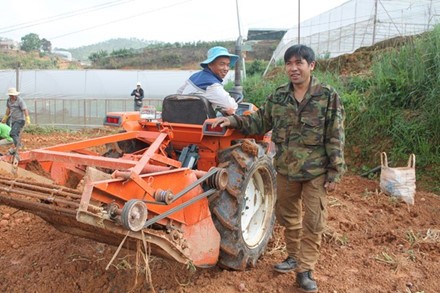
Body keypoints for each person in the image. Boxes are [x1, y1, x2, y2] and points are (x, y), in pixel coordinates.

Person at [212, 44, 346, 292]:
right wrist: (232, 120)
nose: (293, 68)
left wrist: (335, 171)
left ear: (311, 65)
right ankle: (293, 257)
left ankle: (305, 270)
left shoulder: (327, 96)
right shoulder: (279, 96)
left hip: (316, 171)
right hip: (286, 169)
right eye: (289, 64)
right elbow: (259, 121)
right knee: (288, 216)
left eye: (299, 63)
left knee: (314, 221)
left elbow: (336, 135)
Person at [177, 46, 239, 115]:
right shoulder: (212, 85)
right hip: (199, 122)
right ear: (210, 64)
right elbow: (231, 106)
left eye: (228, 65)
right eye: (222, 64)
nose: (226, 69)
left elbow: (179, 92)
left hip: (182, 117)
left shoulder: (194, 76)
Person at [1, 87, 31, 154]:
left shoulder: (20, 100)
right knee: (16, 135)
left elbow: (25, 109)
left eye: (14, 95)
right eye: (11, 95)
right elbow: (8, 109)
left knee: (12, 133)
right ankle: (20, 146)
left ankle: (19, 146)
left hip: (20, 120)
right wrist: (5, 117)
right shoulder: (8, 100)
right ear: (10, 95)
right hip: (13, 120)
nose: (13, 96)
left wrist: (27, 118)